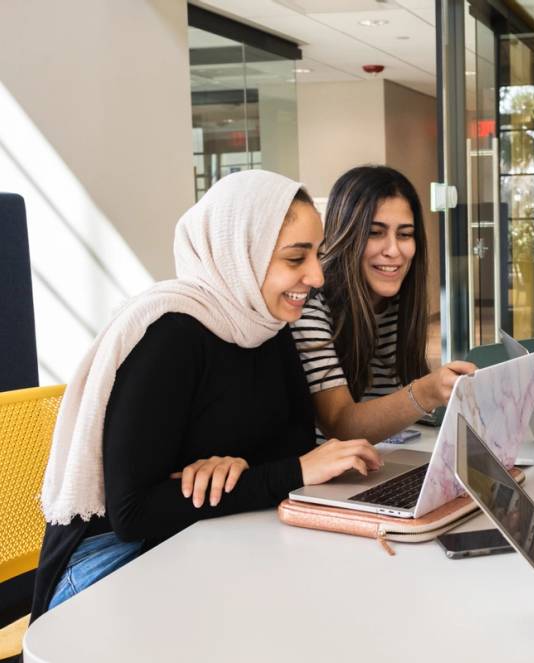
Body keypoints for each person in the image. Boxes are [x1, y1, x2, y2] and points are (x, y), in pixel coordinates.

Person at [31, 171, 381, 620]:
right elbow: (134, 514)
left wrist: (236, 468)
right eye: (296, 258)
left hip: (195, 535)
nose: (315, 276)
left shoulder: (265, 325)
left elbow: (293, 446)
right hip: (104, 566)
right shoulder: (170, 335)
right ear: (242, 254)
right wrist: (274, 472)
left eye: (317, 254)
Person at [291, 166, 474, 443]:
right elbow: (339, 425)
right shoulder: (310, 303)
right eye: (375, 233)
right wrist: (427, 390)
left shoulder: (399, 298)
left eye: (404, 234)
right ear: (346, 234)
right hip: (330, 478)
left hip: (382, 458)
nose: (393, 251)